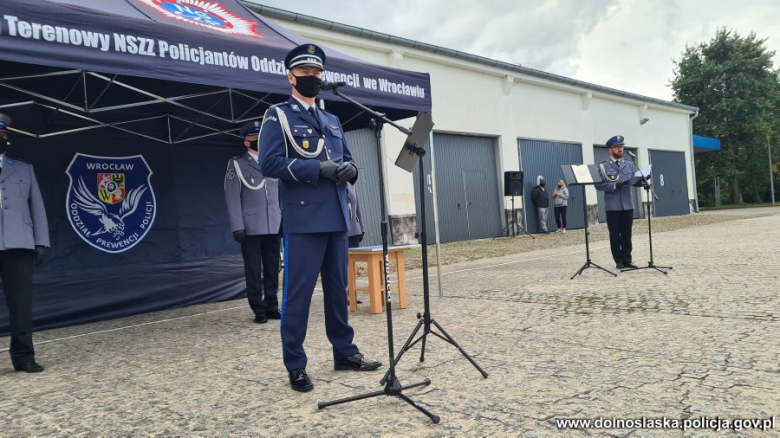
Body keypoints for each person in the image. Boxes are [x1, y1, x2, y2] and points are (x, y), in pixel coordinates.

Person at [259, 43, 381, 392]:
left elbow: (350, 159)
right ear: (291, 77)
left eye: (316, 73)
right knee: (297, 294)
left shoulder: (332, 119)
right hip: (304, 220)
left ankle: (345, 352)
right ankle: (295, 364)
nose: (312, 77)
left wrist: (350, 169)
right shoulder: (277, 115)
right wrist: (318, 169)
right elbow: (269, 164)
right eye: (305, 73)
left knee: (337, 291)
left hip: (337, 216)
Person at [0, 113, 50, 373]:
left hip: (19, 245)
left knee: (21, 304)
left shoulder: (23, 168)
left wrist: (41, 241)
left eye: (2, 134)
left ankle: (23, 357)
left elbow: (37, 207)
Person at [224, 120, 282, 324]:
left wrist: (283, 221)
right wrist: (237, 225)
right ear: (247, 142)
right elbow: (232, 196)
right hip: (250, 227)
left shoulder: (272, 162)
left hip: (273, 224)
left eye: (261, 138)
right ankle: (259, 309)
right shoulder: (237, 164)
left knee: (273, 267)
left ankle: (273, 305)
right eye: (255, 139)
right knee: (253, 269)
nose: (259, 142)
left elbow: (279, 195)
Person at [595, 135, 647, 269]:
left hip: (628, 204)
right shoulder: (603, 166)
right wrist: (613, 186)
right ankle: (618, 261)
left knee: (627, 234)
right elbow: (598, 185)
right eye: (617, 147)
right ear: (610, 150)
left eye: (621, 146)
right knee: (614, 234)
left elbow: (633, 181)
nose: (620, 149)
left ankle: (627, 259)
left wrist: (641, 182)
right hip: (612, 205)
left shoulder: (630, 164)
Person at [346, 182, 364, 248]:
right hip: (338, 232)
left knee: (354, 257)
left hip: (354, 232)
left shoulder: (351, 185)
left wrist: (362, 229)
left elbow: (357, 209)